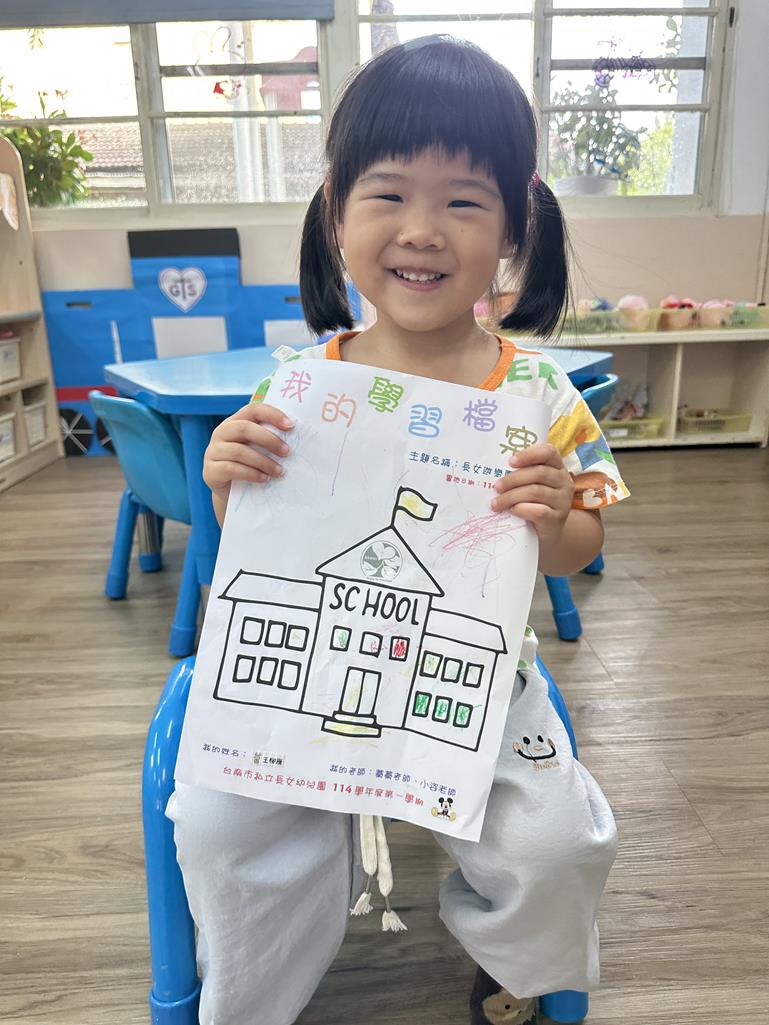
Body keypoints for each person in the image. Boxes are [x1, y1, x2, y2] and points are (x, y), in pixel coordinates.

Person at [168, 36, 629, 1025]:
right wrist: (228, 478)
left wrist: (558, 517)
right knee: (213, 823)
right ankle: (252, 991)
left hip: (475, 678)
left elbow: (584, 539)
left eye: (463, 201)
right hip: (307, 679)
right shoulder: (300, 383)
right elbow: (260, 541)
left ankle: (513, 963)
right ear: (336, 211)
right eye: (387, 193)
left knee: (553, 841)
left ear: (512, 229)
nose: (421, 230)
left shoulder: (539, 391)